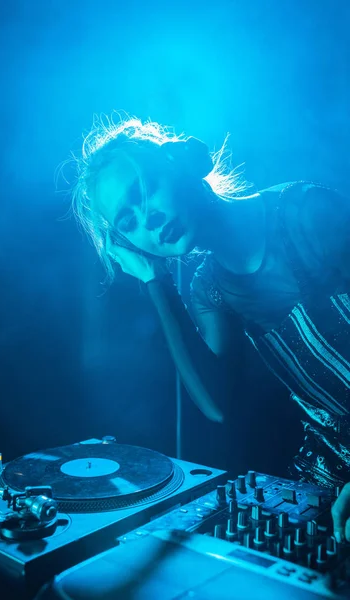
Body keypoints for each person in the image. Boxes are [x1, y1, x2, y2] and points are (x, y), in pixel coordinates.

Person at [71, 114, 350, 542]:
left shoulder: (307, 212)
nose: (148, 220)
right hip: (333, 470)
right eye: (127, 222)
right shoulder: (209, 288)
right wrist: (155, 280)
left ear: (181, 165)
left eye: (145, 192)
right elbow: (218, 404)